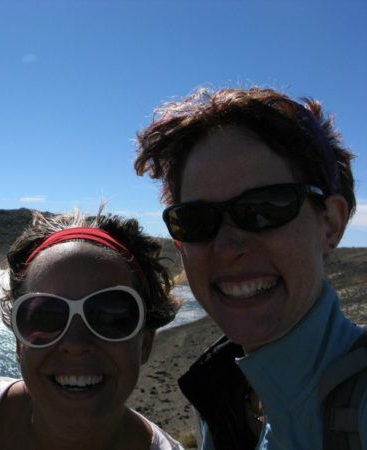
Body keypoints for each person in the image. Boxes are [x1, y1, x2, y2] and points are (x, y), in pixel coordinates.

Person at [134, 87, 366, 450]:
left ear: (331, 223)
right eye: (196, 219)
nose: (228, 247)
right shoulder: (221, 395)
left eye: (265, 208)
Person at [0, 210, 183, 450]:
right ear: (18, 343)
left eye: (110, 316)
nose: (75, 343)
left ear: (145, 342)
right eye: (45, 317)